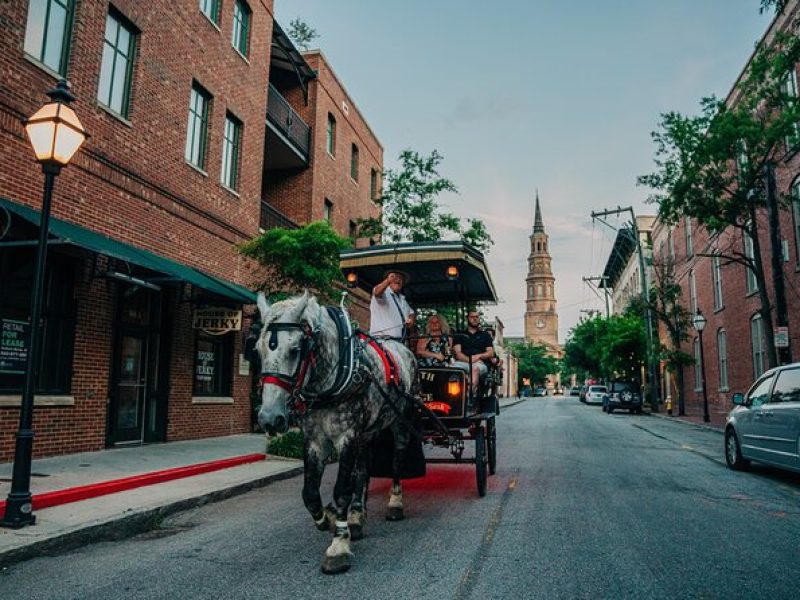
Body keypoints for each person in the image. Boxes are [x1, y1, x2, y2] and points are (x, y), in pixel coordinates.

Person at [452, 310, 495, 391]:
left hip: (480, 364)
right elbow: (458, 354)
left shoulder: (485, 335)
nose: (475, 319)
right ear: (467, 319)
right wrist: (470, 360)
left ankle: (469, 396)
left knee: (475, 369)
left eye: (477, 317)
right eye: (472, 317)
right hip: (463, 362)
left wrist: (478, 356)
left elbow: (491, 353)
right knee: (453, 368)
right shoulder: (460, 335)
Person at [369, 270, 415, 340]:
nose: (398, 279)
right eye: (394, 277)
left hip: (397, 341)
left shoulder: (402, 299)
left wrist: (410, 321)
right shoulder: (384, 292)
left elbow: (412, 313)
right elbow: (377, 293)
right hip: (381, 340)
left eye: (401, 278)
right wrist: (387, 281)